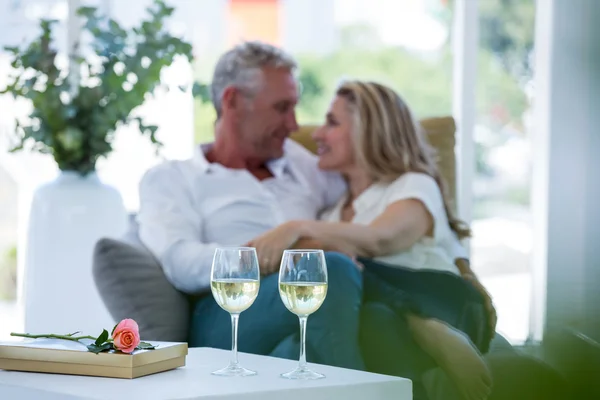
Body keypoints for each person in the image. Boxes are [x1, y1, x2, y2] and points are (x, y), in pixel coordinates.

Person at [247, 80, 494, 400]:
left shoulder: (413, 186)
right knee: (303, 340)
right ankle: (417, 324)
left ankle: (427, 328)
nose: (318, 135)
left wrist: (294, 228)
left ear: (369, 131)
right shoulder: (332, 214)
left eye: (332, 123)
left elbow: (380, 240)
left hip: (440, 305)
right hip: (374, 320)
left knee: (371, 318)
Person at [136, 40, 365, 370]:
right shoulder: (174, 179)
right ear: (233, 101)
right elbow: (181, 263)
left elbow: (363, 195)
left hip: (307, 309)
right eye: (281, 108)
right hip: (227, 313)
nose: (294, 125)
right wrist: (292, 252)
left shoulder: (302, 165)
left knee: (295, 352)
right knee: (331, 270)